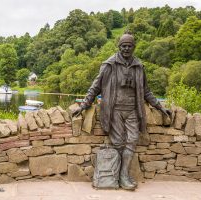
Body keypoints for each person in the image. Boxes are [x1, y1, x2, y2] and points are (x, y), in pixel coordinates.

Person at [72, 33, 171, 191]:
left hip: (132, 109)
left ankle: (123, 175)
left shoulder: (139, 66)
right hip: (114, 110)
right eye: (123, 45)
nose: (126, 48)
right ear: (119, 47)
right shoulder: (109, 64)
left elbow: (146, 91)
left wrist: (160, 106)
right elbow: (96, 86)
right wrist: (84, 105)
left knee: (132, 139)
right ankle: (116, 176)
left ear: (134, 47)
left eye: (129, 46)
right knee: (118, 143)